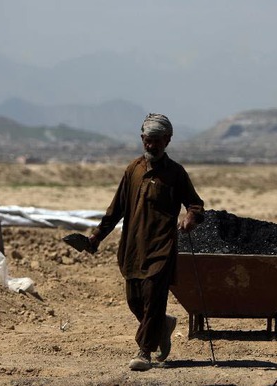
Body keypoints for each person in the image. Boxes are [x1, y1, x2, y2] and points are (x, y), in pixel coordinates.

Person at [88, 113, 205, 371]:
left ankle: (145, 352)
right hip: (132, 247)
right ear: (142, 139)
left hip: (161, 247)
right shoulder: (133, 170)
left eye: (156, 140)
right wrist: (96, 236)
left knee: (154, 299)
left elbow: (195, 204)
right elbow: (116, 208)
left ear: (167, 140)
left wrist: (190, 217)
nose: (150, 145)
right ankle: (162, 325)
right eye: (146, 140)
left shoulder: (175, 173)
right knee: (134, 301)